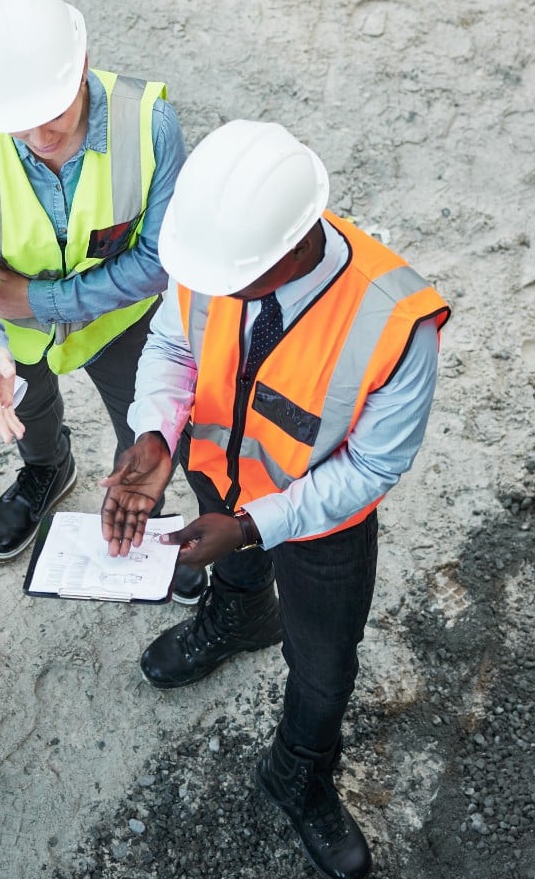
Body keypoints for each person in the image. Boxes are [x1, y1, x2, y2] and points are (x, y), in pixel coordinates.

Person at [100, 121, 450, 879]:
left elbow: (372, 467)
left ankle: (300, 770)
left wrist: (255, 523)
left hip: (324, 530)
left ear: (288, 251)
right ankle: (240, 612)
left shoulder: (395, 323)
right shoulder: (215, 256)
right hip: (216, 473)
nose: (207, 291)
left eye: (229, 282)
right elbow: (170, 347)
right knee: (232, 563)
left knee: (325, 668)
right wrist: (156, 435)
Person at [0, 0, 205, 601]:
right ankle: (47, 470)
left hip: (120, 321)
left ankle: (139, 498)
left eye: (50, 114)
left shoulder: (151, 125)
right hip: (16, 333)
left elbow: (162, 262)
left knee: (146, 427)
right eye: (16, 125)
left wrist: (38, 300)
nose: (39, 137)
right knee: (30, 410)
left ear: (81, 63)